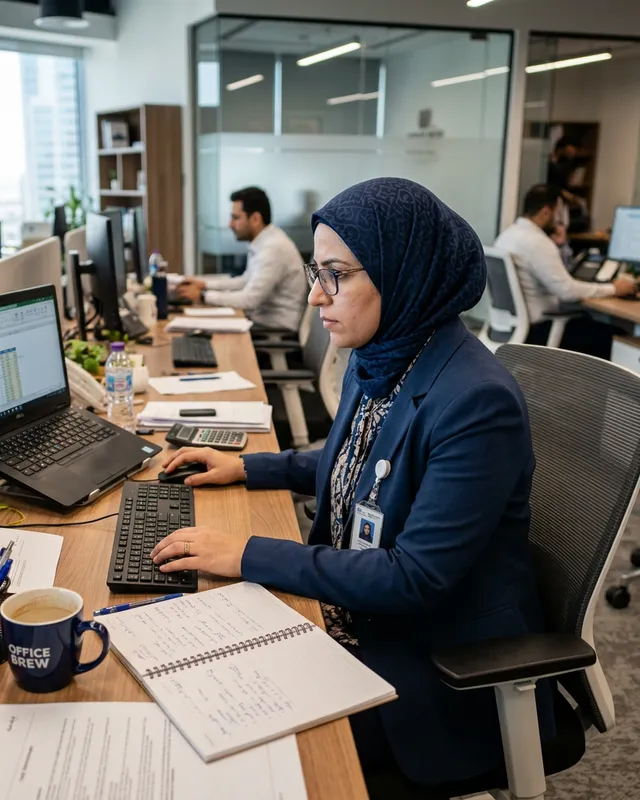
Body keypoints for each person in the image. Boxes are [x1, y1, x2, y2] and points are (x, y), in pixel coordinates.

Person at [150, 178, 556, 792]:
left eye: (336, 274)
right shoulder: (389, 353)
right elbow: (358, 462)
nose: (316, 296)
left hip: (431, 669)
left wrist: (245, 554)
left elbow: (411, 577)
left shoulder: (476, 402)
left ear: (402, 271)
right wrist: (250, 466)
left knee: (229, 748)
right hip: (354, 618)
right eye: (317, 271)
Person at [495, 184, 635, 359]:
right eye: (558, 212)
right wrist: (614, 289)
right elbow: (566, 290)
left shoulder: (507, 236)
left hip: (514, 326)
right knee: (615, 334)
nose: (559, 219)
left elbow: (557, 276)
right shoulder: (537, 242)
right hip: (543, 329)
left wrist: (560, 246)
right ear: (546, 211)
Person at [176, 187, 306, 331]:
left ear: (255, 219)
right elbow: (245, 281)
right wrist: (205, 285)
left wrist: (202, 295)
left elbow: (249, 300)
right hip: (262, 323)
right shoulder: (265, 242)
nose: (230, 225)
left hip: (274, 330)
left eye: (236, 218)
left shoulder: (273, 248)